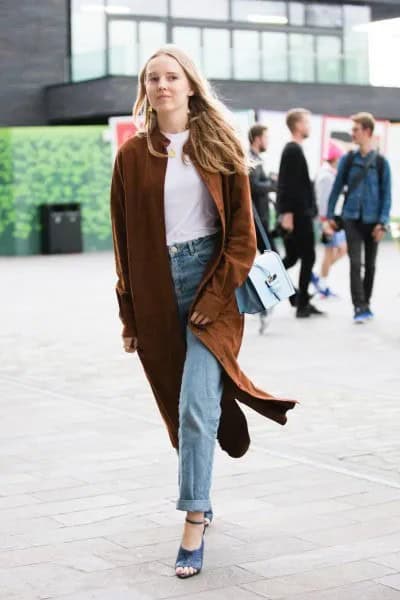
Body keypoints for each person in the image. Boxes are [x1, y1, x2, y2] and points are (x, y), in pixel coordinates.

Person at [110, 45, 297, 579]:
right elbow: (124, 244)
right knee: (180, 407)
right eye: (153, 78)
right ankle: (204, 478)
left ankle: (194, 517)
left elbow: (241, 237)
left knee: (195, 403)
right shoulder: (131, 156)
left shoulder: (220, 142)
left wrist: (214, 298)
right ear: (145, 90)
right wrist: (129, 316)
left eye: (172, 76)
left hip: (211, 283)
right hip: (154, 288)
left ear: (191, 85)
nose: (162, 85)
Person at [327, 112, 391, 323]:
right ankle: (359, 307)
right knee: (356, 263)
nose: (351, 133)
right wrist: (329, 216)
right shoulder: (348, 159)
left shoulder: (381, 163)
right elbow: (336, 189)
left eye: (355, 130)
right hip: (351, 218)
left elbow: (386, 195)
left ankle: (367, 303)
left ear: (367, 132)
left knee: (370, 265)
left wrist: (382, 222)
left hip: (373, 220)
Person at [277, 108, 323, 318]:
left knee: (294, 257)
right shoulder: (292, 150)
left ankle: (299, 298)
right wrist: (287, 214)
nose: (309, 126)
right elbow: (287, 184)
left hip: (300, 212)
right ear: (297, 125)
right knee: (308, 256)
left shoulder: (295, 150)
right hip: (298, 214)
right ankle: (302, 303)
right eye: (306, 122)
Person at [248, 123, 277, 334]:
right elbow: (254, 187)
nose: (268, 141)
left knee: (270, 260)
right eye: (266, 137)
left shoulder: (257, 159)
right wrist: (273, 185)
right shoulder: (251, 159)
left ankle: (268, 301)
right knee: (270, 260)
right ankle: (265, 303)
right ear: (258, 138)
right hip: (256, 219)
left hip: (261, 218)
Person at [311, 141, 347, 298]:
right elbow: (323, 200)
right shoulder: (326, 176)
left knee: (338, 250)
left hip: (332, 219)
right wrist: (326, 222)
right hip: (328, 220)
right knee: (331, 251)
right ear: (335, 158)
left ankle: (319, 279)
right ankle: (322, 284)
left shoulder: (329, 173)